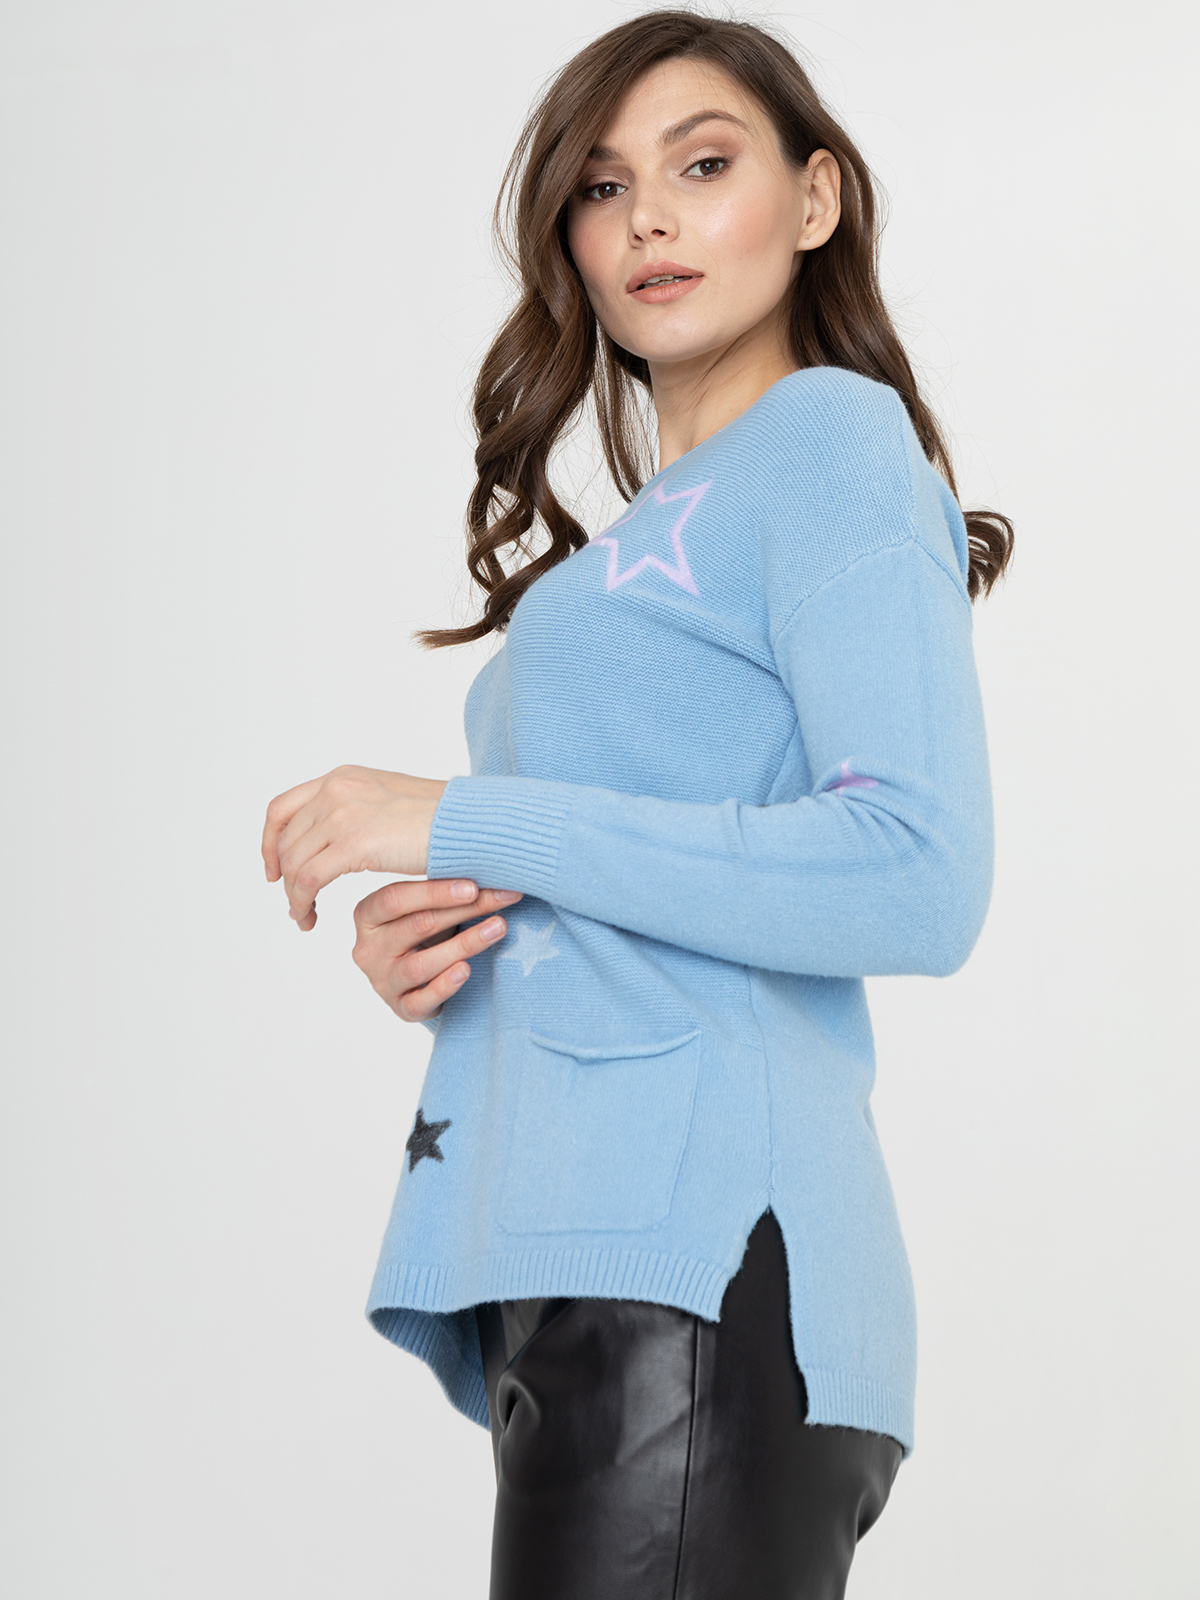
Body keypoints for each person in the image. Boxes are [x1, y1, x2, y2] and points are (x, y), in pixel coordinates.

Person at [261, 12, 1012, 1597]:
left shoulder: (829, 441)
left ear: (815, 200)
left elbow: (916, 870)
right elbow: (637, 876)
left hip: (702, 1266)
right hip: (590, 1270)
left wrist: (465, 822)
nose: (651, 218)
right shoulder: (636, 548)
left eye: (704, 165)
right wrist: (455, 939)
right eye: (604, 188)